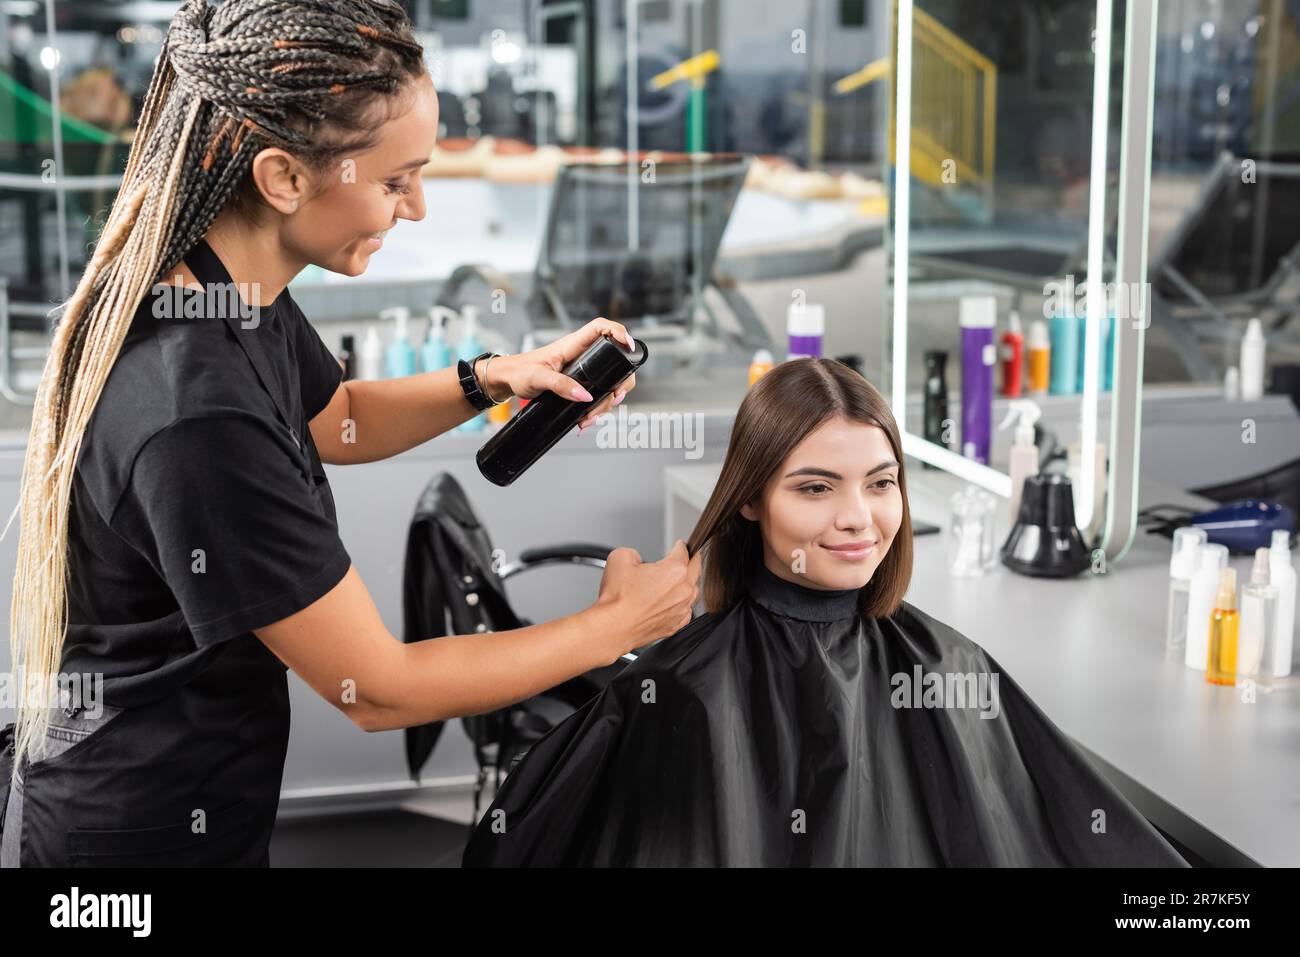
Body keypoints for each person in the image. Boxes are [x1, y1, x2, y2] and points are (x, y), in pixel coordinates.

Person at [1, 0, 699, 868]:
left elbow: (338, 420)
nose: (415, 209)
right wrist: (614, 626)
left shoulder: (223, 285)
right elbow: (373, 687)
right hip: (134, 840)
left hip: (204, 799)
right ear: (284, 178)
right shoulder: (195, 412)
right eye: (395, 181)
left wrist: (491, 377)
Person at [462, 358, 1190, 867]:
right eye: (815, 488)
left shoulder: (947, 669)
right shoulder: (686, 693)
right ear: (750, 499)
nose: (857, 518)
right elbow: (532, 830)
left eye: (880, 482)